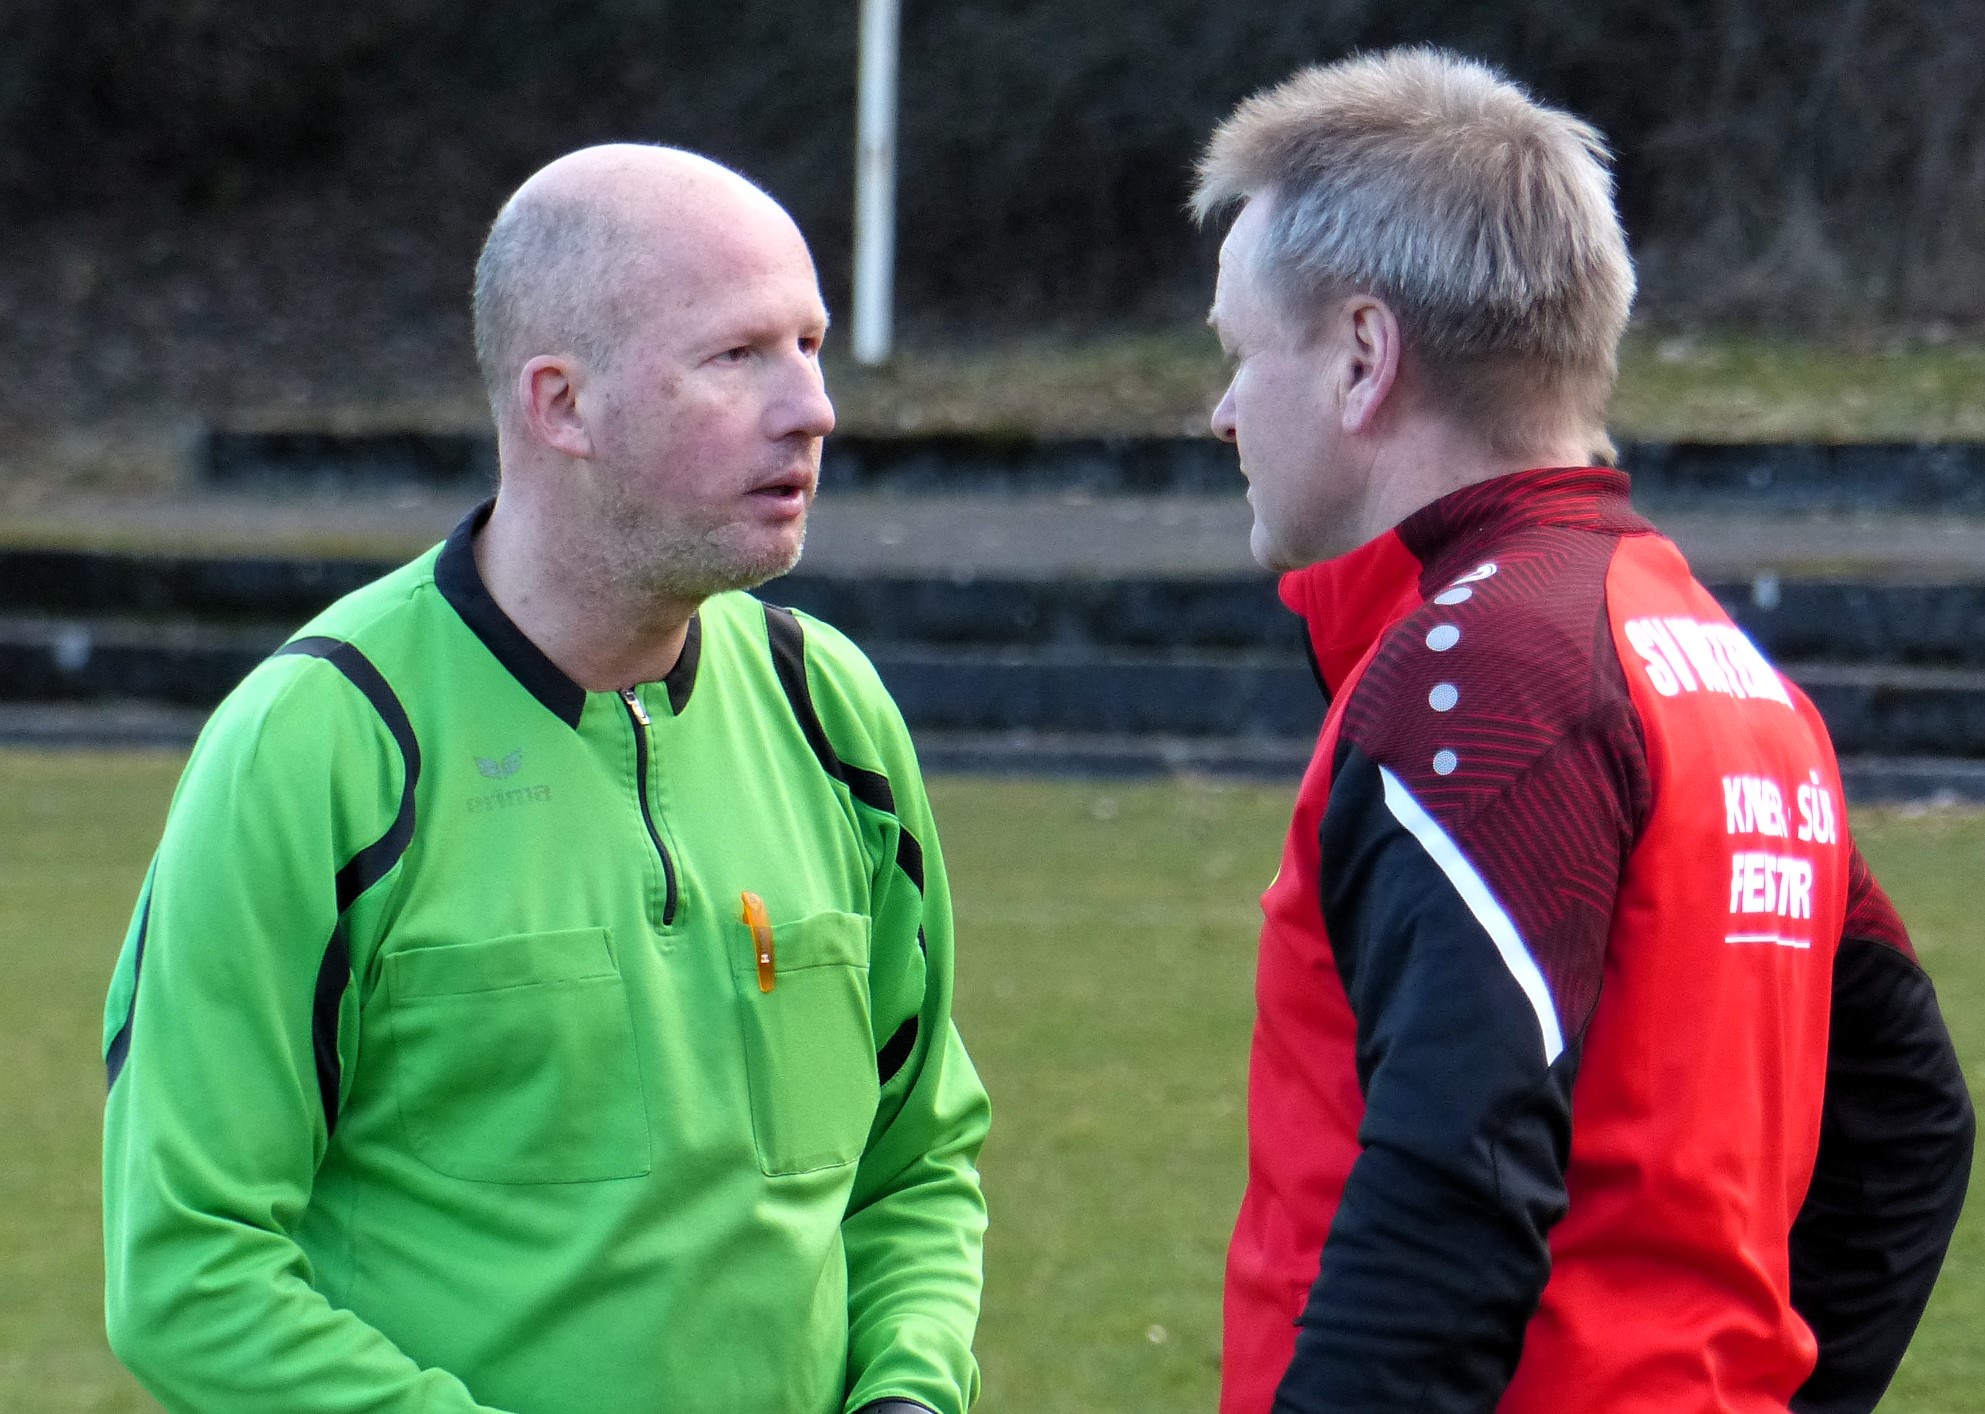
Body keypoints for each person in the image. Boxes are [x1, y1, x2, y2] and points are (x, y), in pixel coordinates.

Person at [101, 144, 989, 1414]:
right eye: (736, 356)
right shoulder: (317, 747)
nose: (812, 407)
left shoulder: (828, 711)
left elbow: (915, 1161)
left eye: (810, 344)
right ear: (561, 404)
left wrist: (907, 1390)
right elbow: (190, 1272)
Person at [1194, 48, 1973, 1414]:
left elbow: (1449, 1199)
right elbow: (1904, 1119)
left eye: (1239, 353)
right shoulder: (1717, 667)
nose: (1221, 412)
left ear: (1363, 357)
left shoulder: (1482, 679)